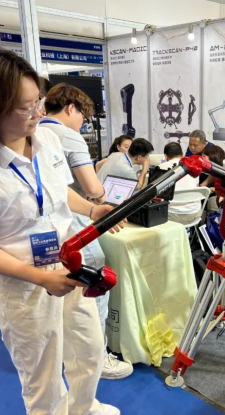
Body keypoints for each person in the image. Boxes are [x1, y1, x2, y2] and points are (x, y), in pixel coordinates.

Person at [0, 48, 124, 415]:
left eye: (39, 102)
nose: (38, 113)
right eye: (25, 108)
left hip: (68, 265)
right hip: (24, 284)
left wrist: (93, 209)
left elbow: (58, 191)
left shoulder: (47, 141)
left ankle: (84, 408)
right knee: (42, 377)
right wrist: (41, 278)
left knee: (89, 349)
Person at [39, 82, 133, 380]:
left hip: (43, 229)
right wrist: (100, 200)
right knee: (94, 287)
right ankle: (97, 358)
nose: (83, 122)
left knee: (56, 291)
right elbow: (93, 188)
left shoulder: (35, 132)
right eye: (83, 116)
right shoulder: (68, 136)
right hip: (74, 226)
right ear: (71, 108)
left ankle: (64, 353)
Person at [158, 142, 200, 225]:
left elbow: (157, 193)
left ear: (166, 156)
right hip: (194, 213)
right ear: (182, 154)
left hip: (171, 215)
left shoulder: (160, 167)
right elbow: (196, 187)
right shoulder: (194, 168)